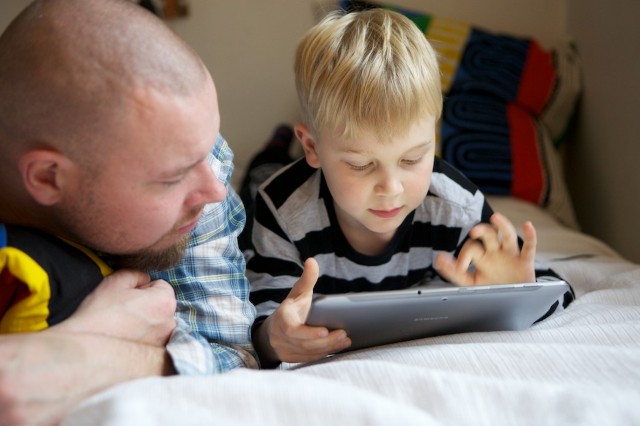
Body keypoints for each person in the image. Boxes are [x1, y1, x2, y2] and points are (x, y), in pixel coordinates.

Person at [246, 8, 573, 367]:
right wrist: (273, 340)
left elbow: (557, 291)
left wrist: (517, 290)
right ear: (312, 148)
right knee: (260, 173)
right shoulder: (281, 209)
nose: (391, 187)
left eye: (412, 159)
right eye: (361, 164)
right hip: (274, 180)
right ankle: (275, 148)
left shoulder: (454, 205)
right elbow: (261, 324)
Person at [0, 0, 257, 424]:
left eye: (207, 149)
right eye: (171, 178)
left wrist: (86, 357)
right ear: (47, 177)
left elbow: (235, 356)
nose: (214, 190)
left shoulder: (196, 163)